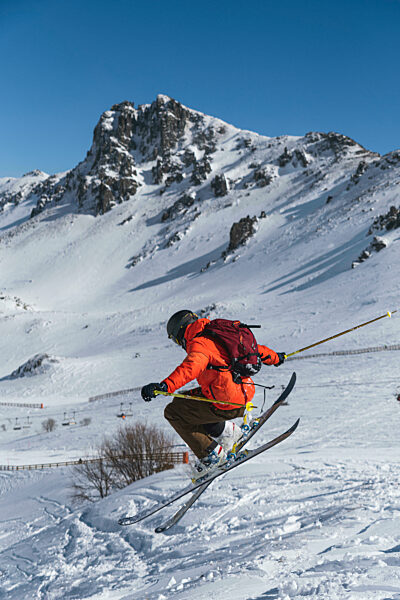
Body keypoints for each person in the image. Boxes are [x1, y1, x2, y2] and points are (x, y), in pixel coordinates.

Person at [141, 310, 285, 480]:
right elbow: (256, 350)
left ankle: (211, 456)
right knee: (185, 401)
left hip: (227, 401)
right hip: (244, 395)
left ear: (179, 333)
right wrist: (276, 358)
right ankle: (228, 432)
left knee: (173, 413)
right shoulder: (217, 334)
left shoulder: (200, 343)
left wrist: (165, 385)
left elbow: (191, 367)